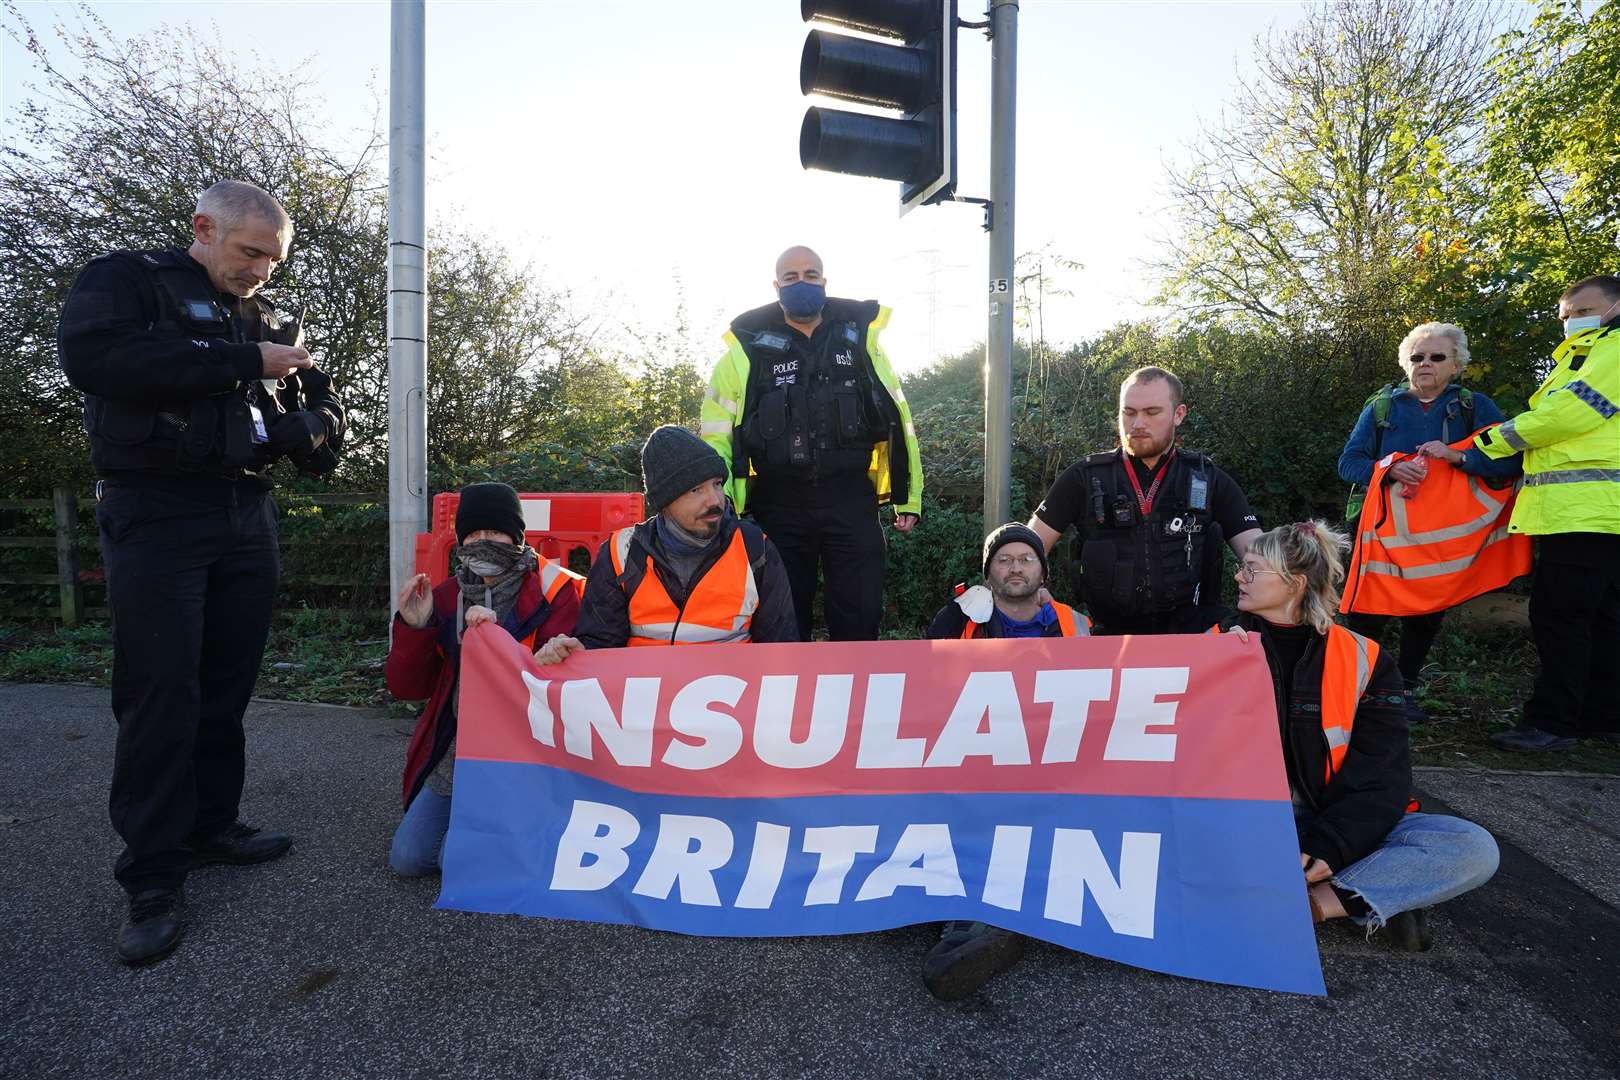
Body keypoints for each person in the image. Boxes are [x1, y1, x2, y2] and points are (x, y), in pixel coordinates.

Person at [57, 179, 346, 965]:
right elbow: (95, 357)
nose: (261, 270)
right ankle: (152, 875)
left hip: (244, 512)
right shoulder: (127, 280)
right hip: (156, 511)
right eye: (250, 252)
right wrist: (248, 357)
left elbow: (296, 414)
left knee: (226, 684)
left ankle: (212, 826)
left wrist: (308, 426)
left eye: (273, 259)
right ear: (203, 228)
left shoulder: (257, 316)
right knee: (160, 693)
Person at [1218, 522, 1498, 948]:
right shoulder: (1213, 643)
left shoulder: (1365, 658)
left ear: (1294, 583)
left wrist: (1332, 844)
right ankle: (1365, 894)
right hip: (1242, 821)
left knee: (1472, 848)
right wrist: (1216, 666)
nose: (1239, 577)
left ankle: (1315, 905)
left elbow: (1382, 774)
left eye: (1252, 569)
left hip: (1333, 818)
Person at [698, 245, 923, 642]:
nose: (801, 283)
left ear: (824, 281)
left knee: (860, 619)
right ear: (776, 286)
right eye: (790, 277)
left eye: (810, 274)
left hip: (852, 499)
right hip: (778, 507)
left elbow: (897, 419)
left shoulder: (860, 340)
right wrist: (718, 505)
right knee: (781, 623)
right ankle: (788, 705)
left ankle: (855, 700)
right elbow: (716, 435)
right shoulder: (744, 351)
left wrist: (909, 497)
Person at [918, 523, 1089, 1001]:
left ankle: (981, 922)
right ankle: (983, 919)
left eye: (1025, 559)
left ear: (1043, 569)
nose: (1015, 567)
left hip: (1052, 757)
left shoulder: (1075, 622)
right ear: (989, 572)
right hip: (978, 754)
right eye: (1004, 560)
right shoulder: (962, 618)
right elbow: (925, 684)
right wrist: (953, 617)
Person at [385, 482, 582, 876]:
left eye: (494, 533)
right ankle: (487, 826)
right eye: (472, 535)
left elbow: (575, 682)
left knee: (451, 859)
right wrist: (415, 625)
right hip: (461, 754)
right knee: (408, 860)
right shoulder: (444, 597)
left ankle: (514, 826)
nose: (482, 543)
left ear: (517, 536)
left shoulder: (558, 590)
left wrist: (514, 649)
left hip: (527, 754)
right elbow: (407, 689)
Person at [1336, 322, 1520, 718]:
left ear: (1456, 365)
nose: (1425, 364)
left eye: (1437, 357)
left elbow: (1510, 459)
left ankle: (1403, 690)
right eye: (1417, 357)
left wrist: (1459, 457)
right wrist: (1391, 469)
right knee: (1367, 609)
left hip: (1442, 532)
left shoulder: (1474, 406)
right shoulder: (1382, 406)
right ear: (1406, 364)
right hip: (1384, 532)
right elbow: (1348, 463)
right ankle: (1356, 687)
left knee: (1425, 611)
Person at [1476, 274, 1620, 752]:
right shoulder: (1586, 354)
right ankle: (1599, 715)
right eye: (1565, 315)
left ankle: (1552, 722)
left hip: (1588, 512)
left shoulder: (1612, 349)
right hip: (1595, 511)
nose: (1570, 321)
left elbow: (1568, 416)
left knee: (1560, 616)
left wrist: (1487, 442)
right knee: (1601, 617)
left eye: (1581, 310)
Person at [1027, 366, 1262, 635]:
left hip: (1194, 640)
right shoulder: (1084, 477)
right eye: (1128, 412)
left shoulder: (1208, 479)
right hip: (1107, 639)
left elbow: (1264, 558)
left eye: (1152, 412)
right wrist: (1034, 588)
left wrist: (1241, 620)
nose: (1138, 424)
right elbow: (1025, 546)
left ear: (1179, 414)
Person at [538, 425, 798, 661]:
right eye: (697, 490)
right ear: (665, 502)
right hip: (642, 703)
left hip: (732, 701)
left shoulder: (755, 549)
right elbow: (599, 645)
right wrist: (576, 654)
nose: (715, 500)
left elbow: (780, 649)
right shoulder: (622, 552)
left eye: (717, 484)